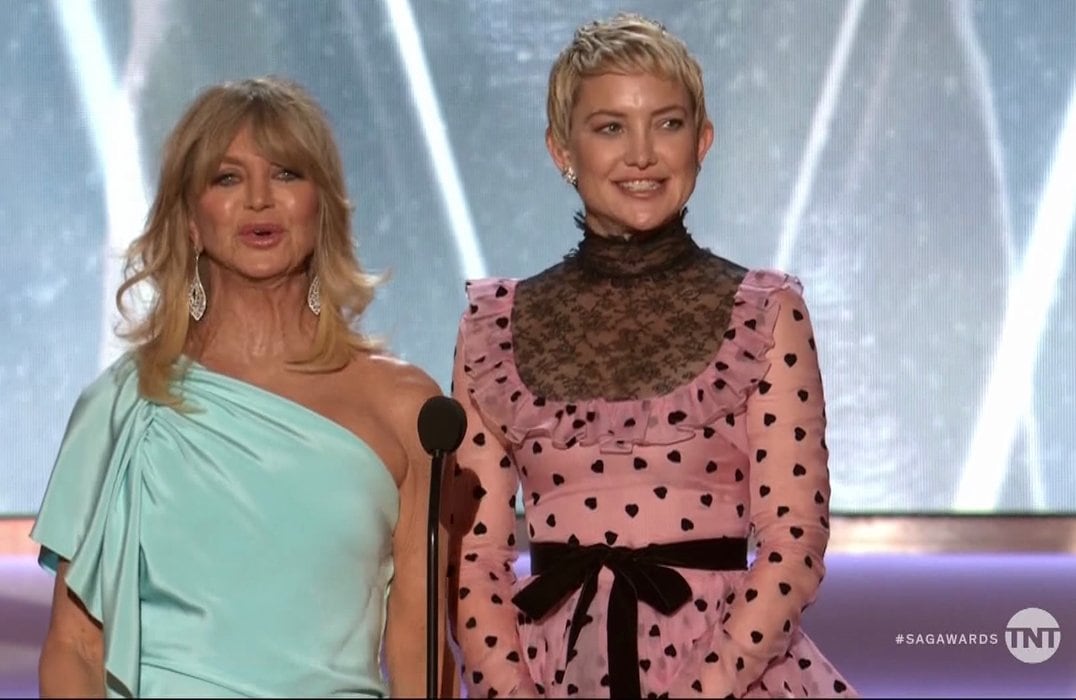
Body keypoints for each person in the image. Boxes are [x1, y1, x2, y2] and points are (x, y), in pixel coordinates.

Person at [446, 13, 856, 699]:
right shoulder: (494, 329)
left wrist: (702, 691)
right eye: (610, 127)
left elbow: (794, 540)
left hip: (733, 676)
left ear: (703, 142)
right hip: (559, 674)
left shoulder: (765, 311)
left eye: (666, 124)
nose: (642, 154)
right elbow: (476, 558)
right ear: (561, 150)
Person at [32, 76, 444, 698]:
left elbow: (419, 648)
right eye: (227, 178)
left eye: (286, 174)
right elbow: (76, 647)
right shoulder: (123, 406)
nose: (259, 200)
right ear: (191, 218)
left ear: (321, 206)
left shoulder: (407, 408)